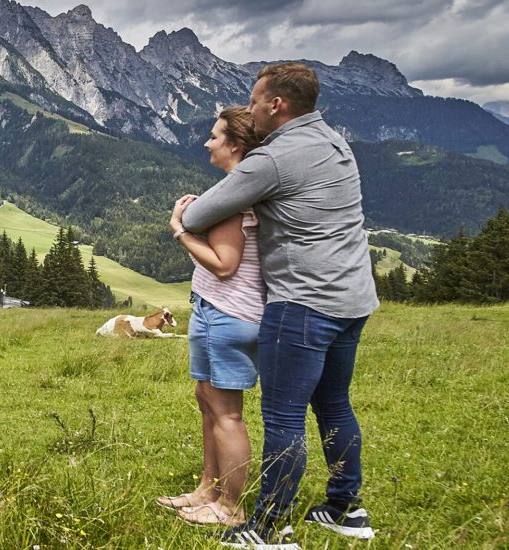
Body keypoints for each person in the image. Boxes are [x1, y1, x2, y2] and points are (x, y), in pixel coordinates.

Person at [181, 62, 380, 548]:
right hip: (353, 298)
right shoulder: (335, 142)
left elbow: (204, 212)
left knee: (283, 416)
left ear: (277, 104)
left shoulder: (273, 158)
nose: (250, 109)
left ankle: (269, 528)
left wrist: (181, 216)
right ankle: (345, 509)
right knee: (334, 404)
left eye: (254, 101)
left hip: (303, 302)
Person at [160, 107, 267, 527]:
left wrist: (180, 230)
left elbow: (225, 264)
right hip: (211, 310)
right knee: (207, 403)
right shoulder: (234, 192)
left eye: (214, 136)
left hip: (230, 312)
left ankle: (231, 508)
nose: (207, 143)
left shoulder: (235, 199)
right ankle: (208, 489)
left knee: (227, 414)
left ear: (235, 145)